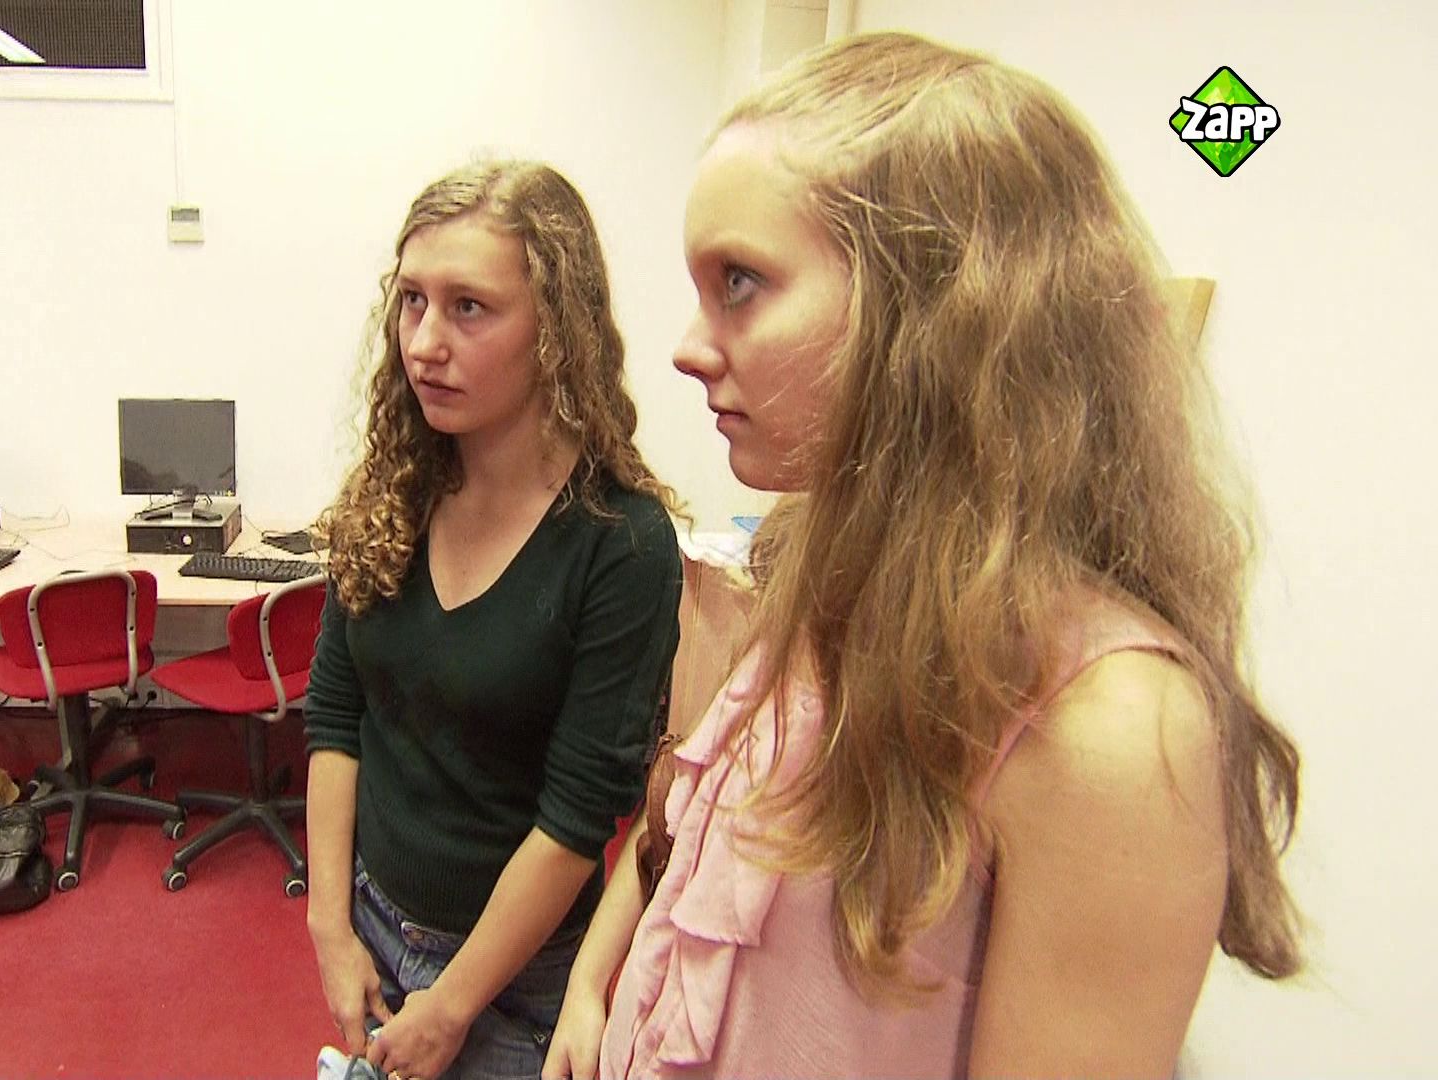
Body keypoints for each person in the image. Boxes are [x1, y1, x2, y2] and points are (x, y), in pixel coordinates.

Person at [544, 33, 1303, 1080]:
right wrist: (594, 990)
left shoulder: (1110, 728)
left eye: (741, 282)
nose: (687, 345)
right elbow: (686, 845)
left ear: (932, 306)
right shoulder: (827, 576)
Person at [304, 160, 684, 1080]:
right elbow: (336, 714)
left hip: (515, 977)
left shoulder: (620, 544)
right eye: (412, 303)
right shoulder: (394, 488)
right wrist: (328, 925)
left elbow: (577, 816)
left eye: (469, 307)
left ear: (556, 330)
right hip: (371, 921)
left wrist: (451, 1007)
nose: (425, 343)